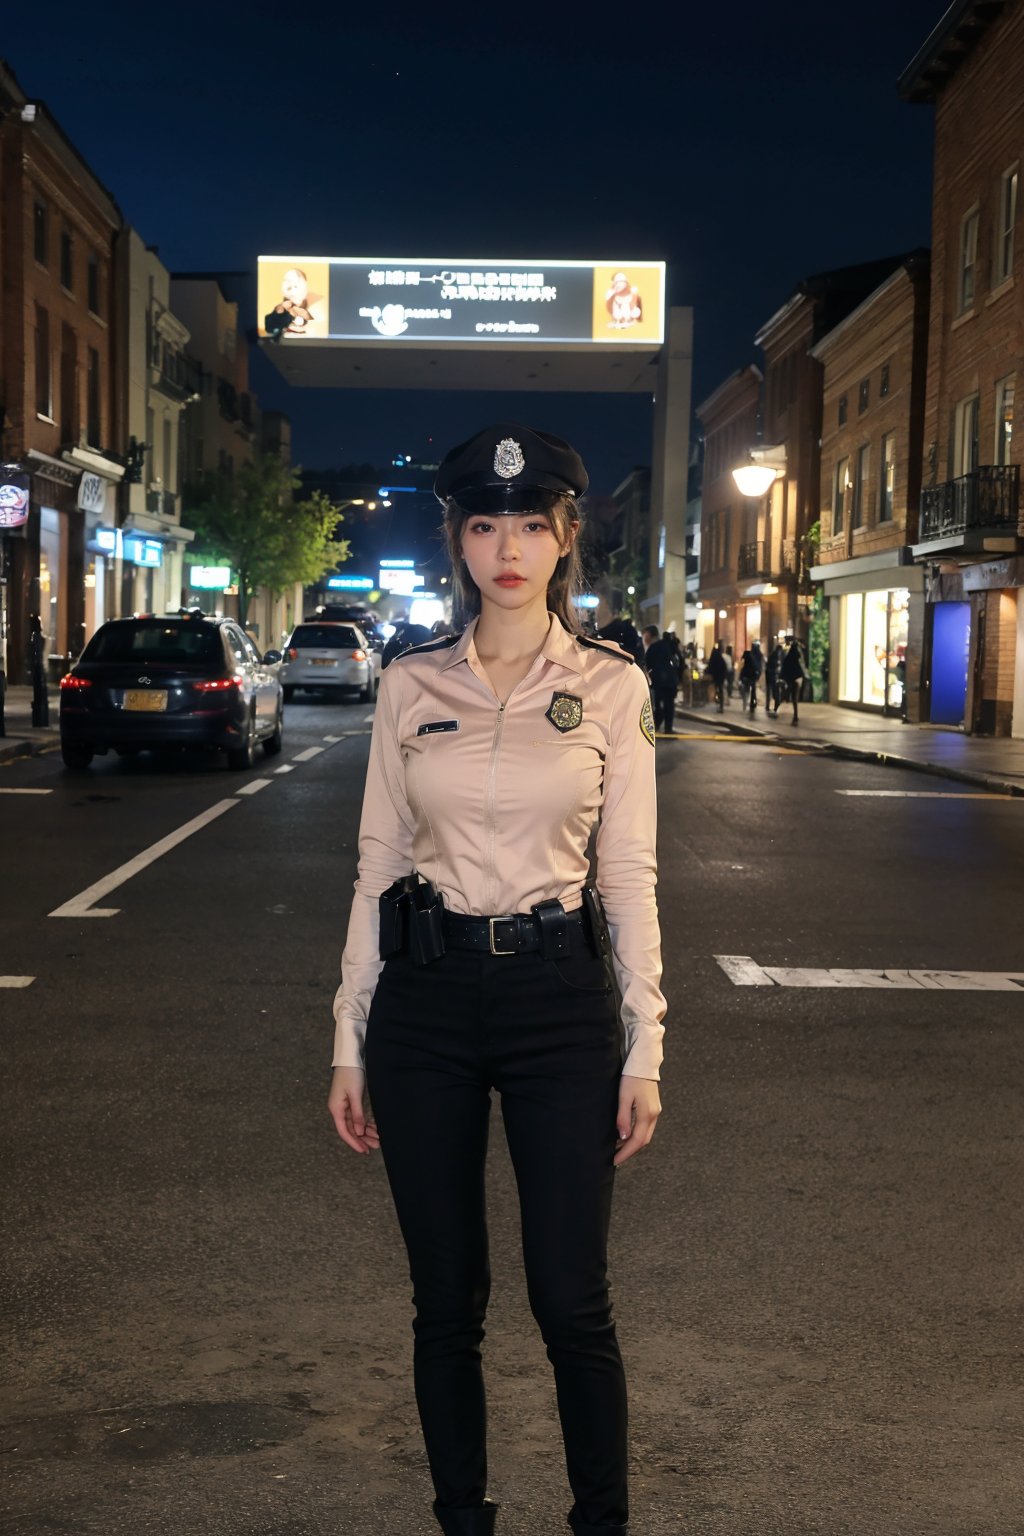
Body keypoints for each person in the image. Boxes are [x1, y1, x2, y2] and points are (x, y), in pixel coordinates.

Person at [328, 421, 665, 1536]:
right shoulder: (408, 685)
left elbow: (627, 873)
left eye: (530, 523)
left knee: (572, 1298)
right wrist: (349, 1037)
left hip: (558, 1004)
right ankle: (461, 1519)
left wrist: (644, 1043)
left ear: (567, 537)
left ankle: (599, 1522)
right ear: (458, 542)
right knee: (444, 1306)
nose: (507, 547)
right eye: (484, 524)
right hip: (424, 1007)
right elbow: (378, 862)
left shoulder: (611, 688)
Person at [645, 629, 682, 735]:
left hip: (658, 681)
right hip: (670, 682)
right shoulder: (672, 647)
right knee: (669, 705)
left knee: (658, 705)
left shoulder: (655, 646)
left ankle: (654, 727)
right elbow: (679, 661)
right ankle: (668, 728)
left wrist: (652, 673)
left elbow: (648, 661)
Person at [780, 635, 808, 724]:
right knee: (796, 696)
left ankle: (795, 715)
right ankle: (796, 714)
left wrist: (782, 677)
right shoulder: (799, 656)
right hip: (799, 678)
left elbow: (784, 668)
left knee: (794, 697)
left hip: (792, 678)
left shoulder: (788, 658)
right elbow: (803, 665)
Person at [738, 640, 763, 716]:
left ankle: (747, 704)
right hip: (753, 674)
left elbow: (743, 665)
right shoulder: (758, 654)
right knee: (753, 689)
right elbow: (759, 666)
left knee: (747, 690)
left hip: (748, 675)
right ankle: (752, 703)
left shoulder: (749, 654)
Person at [705, 639, 728, 712]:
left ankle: (720, 705)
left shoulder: (717, 654)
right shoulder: (719, 655)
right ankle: (720, 705)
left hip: (718, 675)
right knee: (719, 689)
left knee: (719, 689)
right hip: (719, 675)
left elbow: (712, 664)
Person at [766, 639, 785, 717]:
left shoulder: (773, 655)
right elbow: (774, 665)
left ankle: (771, 705)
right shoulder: (775, 655)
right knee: (774, 691)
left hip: (770, 676)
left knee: (771, 691)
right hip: (772, 676)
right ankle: (775, 705)